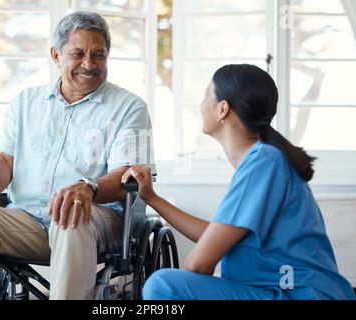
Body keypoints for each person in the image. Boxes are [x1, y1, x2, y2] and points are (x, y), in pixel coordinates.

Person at [0, 11, 154, 300]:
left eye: (99, 54)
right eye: (78, 53)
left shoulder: (129, 107)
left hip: (96, 220)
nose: (89, 64)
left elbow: (126, 176)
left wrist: (88, 187)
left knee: (72, 212)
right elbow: (4, 161)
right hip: (27, 219)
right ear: (56, 55)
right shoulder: (25, 103)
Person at [122, 64, 356, 300]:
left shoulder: (265, 162)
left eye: (205, 97)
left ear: (222, 108)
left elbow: (197, 263)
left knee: (162, 286)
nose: (201, 105)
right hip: (284, 292)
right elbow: (213, 235)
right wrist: (151, 198)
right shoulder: (263, 161)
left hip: (301, 295)